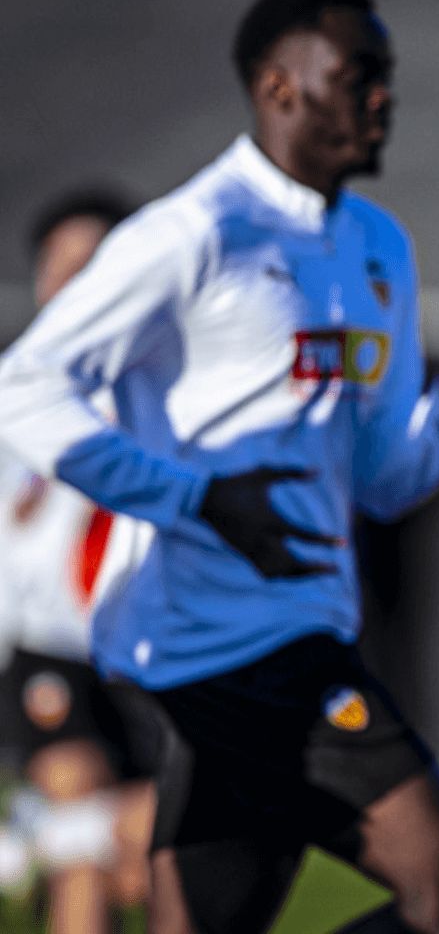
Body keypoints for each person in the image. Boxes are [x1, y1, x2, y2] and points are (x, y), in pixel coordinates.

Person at [0, 0, 439, 934]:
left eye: (386, 75)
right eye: (358, 74)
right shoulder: (192, 233)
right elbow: (23, 387)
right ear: (280, 87)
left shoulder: (379, 247)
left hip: (301, 637)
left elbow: (383, 482)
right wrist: (195, 499)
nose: (382, 95)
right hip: (212, 651)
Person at [0, 189, 157, 933]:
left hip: (149, 657)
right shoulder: (16, 392)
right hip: (46, 652)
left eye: (96, 267)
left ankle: (41, 827)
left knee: (147, 866)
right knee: (82, 841)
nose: (77, 284)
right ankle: (52, 827)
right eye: (64, 267)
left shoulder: (167, 392)